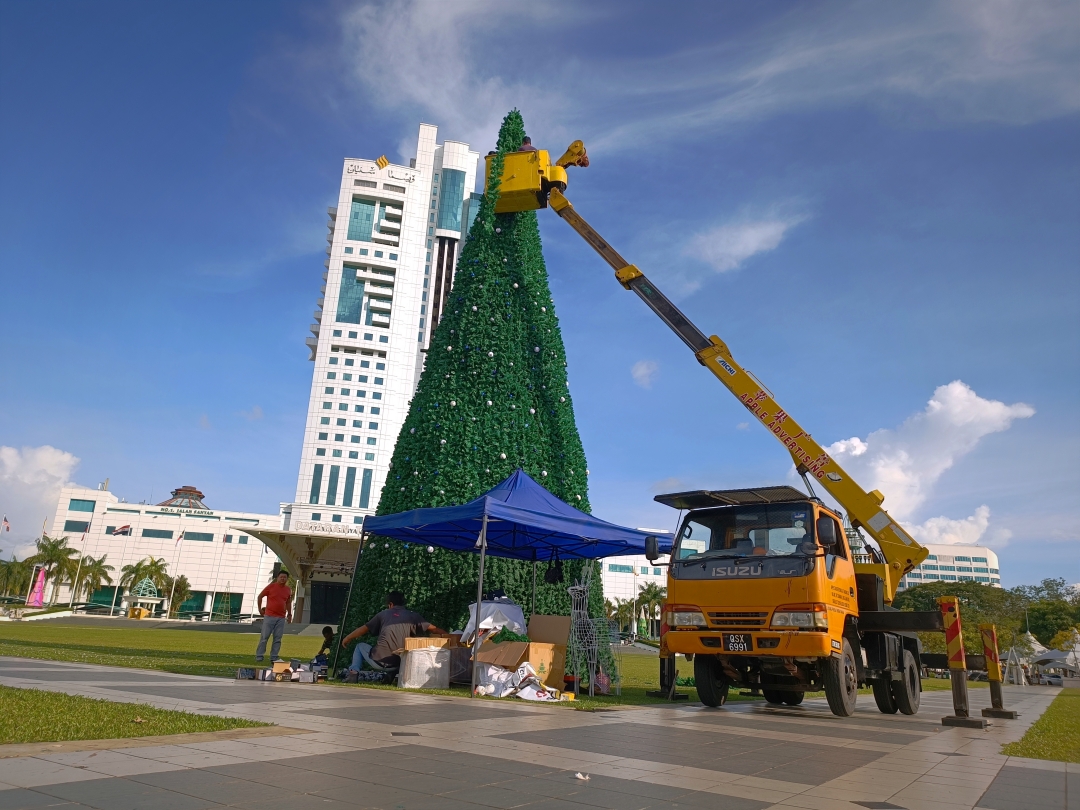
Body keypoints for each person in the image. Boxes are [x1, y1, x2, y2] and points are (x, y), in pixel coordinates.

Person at [340, 591, 446, 673]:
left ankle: (354, 672)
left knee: (359, 646)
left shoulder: (383, 614)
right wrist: (450, 636)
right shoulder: (413, 616)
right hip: (399, 664)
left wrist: (347, 638)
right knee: (404, 649)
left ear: (390, 604)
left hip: (378, 662)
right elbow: (434, 629)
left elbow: (363, 629)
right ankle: (391, 675)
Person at [255, 571, 292, 662]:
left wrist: (290, 614)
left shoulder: (288, 590)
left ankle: (274, 656)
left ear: (287, 579)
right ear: (277, 578)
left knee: (278, 638)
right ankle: (259, 656)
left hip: (281, 617)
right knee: (264, 637)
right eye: (281, 577)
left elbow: (288, 602)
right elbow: (260, 596)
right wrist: (260, 609)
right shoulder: (271, 587)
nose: (283, 579)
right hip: (269, 616)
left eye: (284, 577)